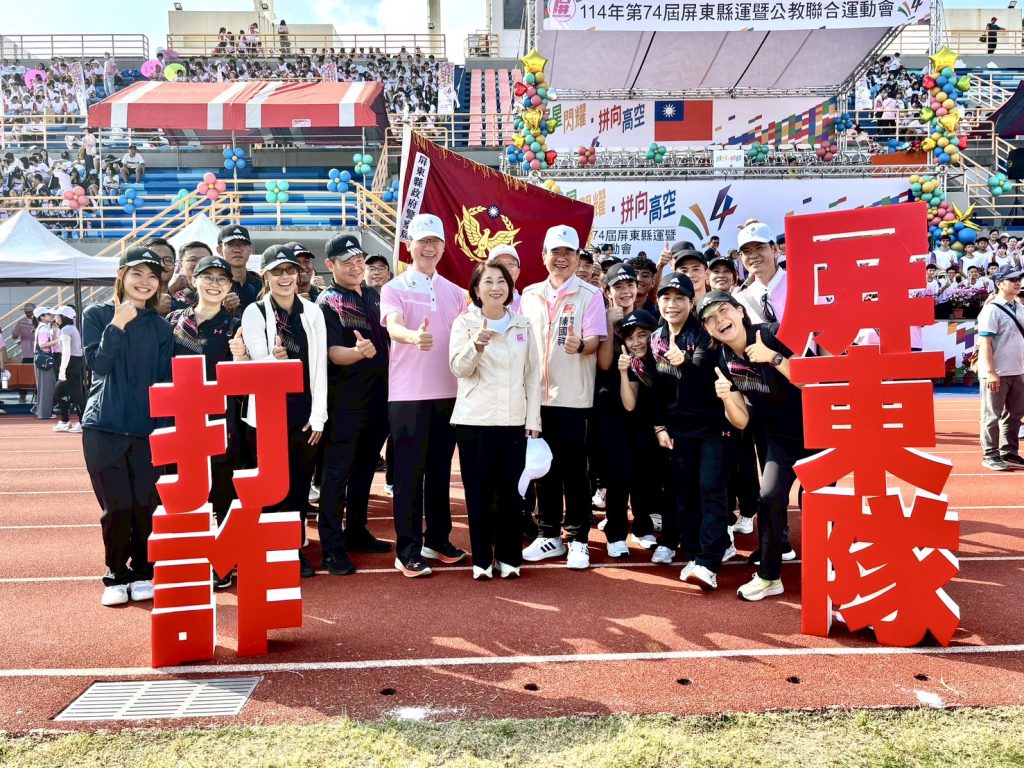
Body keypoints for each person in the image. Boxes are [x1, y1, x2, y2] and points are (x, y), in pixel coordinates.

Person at [82, 246, 173, 607]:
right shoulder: (96, 314)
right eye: (137, 273)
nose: (145, 281)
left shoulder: (161, 327)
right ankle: (116, 574)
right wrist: (117, 324)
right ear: (121, 276)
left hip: (146, 430)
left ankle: (144, 571)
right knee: (116, 507)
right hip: (103, 426)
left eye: (152, 275)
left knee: (145, 506)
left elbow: (164, 381)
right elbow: (98, 364)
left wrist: (163, 431)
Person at [700, 290, 803, 601]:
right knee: (769, 498)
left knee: (818, 501)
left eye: (724, 311)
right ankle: (770, 577)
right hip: (780, 437)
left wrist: (774, 358)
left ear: (740, 311)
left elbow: (810, 380)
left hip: (818, 431)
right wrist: (726, 398)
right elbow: (742, 421)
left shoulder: (772, 334)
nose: (720, 320)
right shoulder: (723, 359)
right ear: (707, 329)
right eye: (710, 319)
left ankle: (832, 565)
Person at [380, 213, 467, 577]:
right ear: (409, 246)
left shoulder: (456, 292)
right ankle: (408, 549)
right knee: (408, 475)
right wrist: (413, 336)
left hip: (449, 393)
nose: (429, 248)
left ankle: (438, 539)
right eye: (422, 241)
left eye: (435, 242)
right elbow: (394, 326)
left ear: (443, 247)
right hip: (408, 396)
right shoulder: (394, 288)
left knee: (439, 472)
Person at [520, 224, 606, 569]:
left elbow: (596, 340)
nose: (561, 258)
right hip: (535, 399)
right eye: (555, 252)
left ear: (577, 257)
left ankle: (579, 538)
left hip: (573, 398)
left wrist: (581, 345)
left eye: (568, 252)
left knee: (574, 471)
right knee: (544, 469)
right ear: (544, 256)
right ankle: (549, 535)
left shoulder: (590, 294)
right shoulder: (529, 294)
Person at [449, 261, 542, 579]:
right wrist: (476, 345)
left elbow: (532, 375)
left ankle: (509, 557)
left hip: (514, 421)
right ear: (476, 289)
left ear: (510, 287)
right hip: (474, 421)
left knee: (512, 494)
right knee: (478, 493)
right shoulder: (464, 323)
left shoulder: (523, 324)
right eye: (487, 281)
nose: (495, 287)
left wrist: (533, 419)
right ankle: (482, 561)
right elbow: (458, 369)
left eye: (501, 281)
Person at [241, 244, 328, 578]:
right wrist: (271, 359)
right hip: (266, 416)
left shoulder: (312, 311)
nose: (285, 277)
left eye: (289, 270)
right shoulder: (254, 312)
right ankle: (272, 549)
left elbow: (319, 368)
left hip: (303, 413)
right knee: (271, 487)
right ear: (265, 275)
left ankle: (294, 547)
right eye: (276, 271)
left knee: (299, 486)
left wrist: (318, 415)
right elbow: (254, 364)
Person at [649, 273, 737, 589]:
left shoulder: (704, 333)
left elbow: (701, 376)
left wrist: (683, 361)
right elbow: (656, 388)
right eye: (666, 298)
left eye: (679, 299)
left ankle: (708, 561)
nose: (672, 305)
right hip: (679, 430)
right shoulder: (655, 338)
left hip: (714, 427)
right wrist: (659, 425)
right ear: (658, 301)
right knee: (685, 492)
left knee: (710, 488)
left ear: (691, 302)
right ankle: (695, 552)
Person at [166, 253, 246, 588]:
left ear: (229, 286)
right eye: (208, 277)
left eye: (222, 279)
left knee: (222, 490)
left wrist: (241, 358)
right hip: (179, 419)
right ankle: (188, 555)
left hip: (220, 420)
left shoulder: (235, 326)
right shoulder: (172, 321)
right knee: (185, 490)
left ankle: (222, 560)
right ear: (194, 280)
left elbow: (244, 380)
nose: (215, 284)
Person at [316, 234, 392, 577]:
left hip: (379, 399)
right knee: (337, 474)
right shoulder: (327, 302)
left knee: (364, 470)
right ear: (330, 265)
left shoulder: (375, 295)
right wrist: (357, 353)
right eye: (347, 262)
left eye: (359, 260)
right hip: (346, 402)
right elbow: (333, 352)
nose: (355, 267)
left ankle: (356, 531)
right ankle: (331, 547)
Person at [977, 265, 1024, 471]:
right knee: (992, 415)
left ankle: (1009, 452)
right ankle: (990, 454)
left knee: (1014, 414)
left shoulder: (1020, 308)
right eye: (1012, 279)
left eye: (1018, 279)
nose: (1017, 282)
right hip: (997, 371)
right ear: (999, 283)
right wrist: (991, 372)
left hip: (1018, 370)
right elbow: (985, 343)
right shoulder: (992, 309)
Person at [735, 222, 787, 324]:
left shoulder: (802, 283)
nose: (753, 256)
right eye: (746, 251)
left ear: (774, 249)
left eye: (760, 248)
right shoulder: (740, 300)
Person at [51, 305, 86, 434]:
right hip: (75, 363)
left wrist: (62, 370)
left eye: (57, 315)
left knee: (71, 394)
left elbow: (66, 351)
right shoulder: (71, 328)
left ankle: (80, 422)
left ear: (63, 317)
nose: (55, 317)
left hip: (70, 363)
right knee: (64, 393)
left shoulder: (66, 330)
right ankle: (67, 421)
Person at [216, 224, 262, 315]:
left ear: (251, 249)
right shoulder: (213, 285)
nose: (237, 250)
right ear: (220, 250)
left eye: (243, 244)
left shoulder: (260, 283)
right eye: (230, 244)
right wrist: (220, 309)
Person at [32, 306, 58, 420]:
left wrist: (55, 333)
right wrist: (58, 339)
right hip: (44, 359)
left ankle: (41, 410)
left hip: (43, 359)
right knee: (46, 387)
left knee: (45, 386)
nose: (51, 316)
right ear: (42, 317)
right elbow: (43, 345)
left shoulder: (43, 327)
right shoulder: (43, 329)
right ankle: (44, 413)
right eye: (48, 314)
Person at [487, 244, 522, 312]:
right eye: (499, 264)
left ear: (518, 272)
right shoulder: (477, 307)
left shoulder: (528, 305)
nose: (506, 268)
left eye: (511, 264)